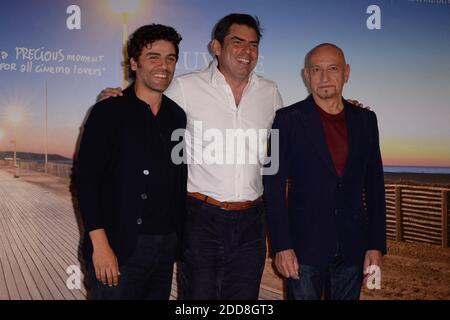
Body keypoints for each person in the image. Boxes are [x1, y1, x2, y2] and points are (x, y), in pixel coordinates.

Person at [100, 13, 283, 300]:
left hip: (252, 223)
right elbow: (144, 99)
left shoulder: (270, 92)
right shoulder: (185, 87)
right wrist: (116, 98)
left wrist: (338, 107)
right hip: (201, 220)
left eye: (254, 44)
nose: (247, 51)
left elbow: (292, 132)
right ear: (216, 47)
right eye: (238, 42)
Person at [264, 43, 387, 300]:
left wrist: (376, 245)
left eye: (333, 69)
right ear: (306, 75)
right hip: (303, 249)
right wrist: (282, 245)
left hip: (353, 248)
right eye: (316, 70)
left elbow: (375, 186)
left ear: (346, 73)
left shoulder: (367, 120)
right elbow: (272, 186)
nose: (324, 78)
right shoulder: (285, 120)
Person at [75, 24, 186, 299]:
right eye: (154, 57)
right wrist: (100, 246)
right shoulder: (108, 111)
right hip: (118, 245)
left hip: (164, 248)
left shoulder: (177, 116)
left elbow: (176, 177)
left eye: (170, 58)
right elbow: (85, 182)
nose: (164, 65)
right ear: (134, 63)